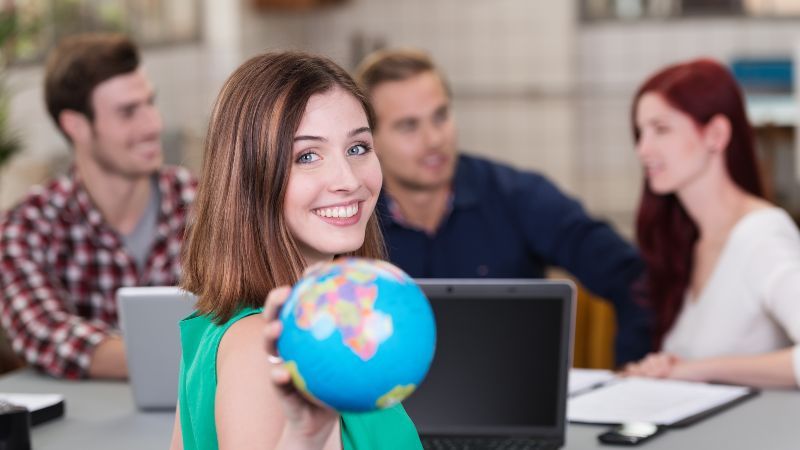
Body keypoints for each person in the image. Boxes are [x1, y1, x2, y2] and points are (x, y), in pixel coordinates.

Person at [171, 52, 422, 450]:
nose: (347, 180)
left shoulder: (310, 327)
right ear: (251, 180)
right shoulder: (261, 351)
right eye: (307, 156)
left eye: (358, 147)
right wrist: (305, 436)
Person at [354, 48, 651, 365]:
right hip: (386, 407)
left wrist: (632, 370)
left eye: (441, 116)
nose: (433, 139)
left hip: (512, 407)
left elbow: (633, 278)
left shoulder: (519, 196)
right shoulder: (350, 219)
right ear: (372, 141)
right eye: (409, 126)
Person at [0, 33, 195, 379]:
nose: (154, 124)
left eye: (150, 103)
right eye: (128, 112)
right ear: (75, 126)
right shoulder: (27, 227)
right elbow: (44, 333)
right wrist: (199, 352)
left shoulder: (201, 203)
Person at [622, 58, 800, 388]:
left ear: (715, 135)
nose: (643, 149)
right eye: (640, 132)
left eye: (661, 130)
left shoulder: (762, 235)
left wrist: (698, 369)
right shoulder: (688, 241)